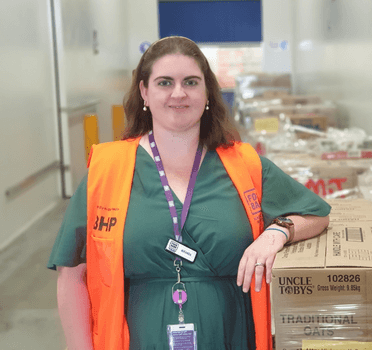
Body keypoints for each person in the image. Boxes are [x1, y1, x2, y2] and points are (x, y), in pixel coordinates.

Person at [47, 36, 330, 350]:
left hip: (230, 336)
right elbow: (72, 274)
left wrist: (276, 233)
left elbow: (316, 214)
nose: (178, 93)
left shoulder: (244, 164)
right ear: (144, 92)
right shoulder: (106, 169)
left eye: (191, 82)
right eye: (165, 82)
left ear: (207, 92)